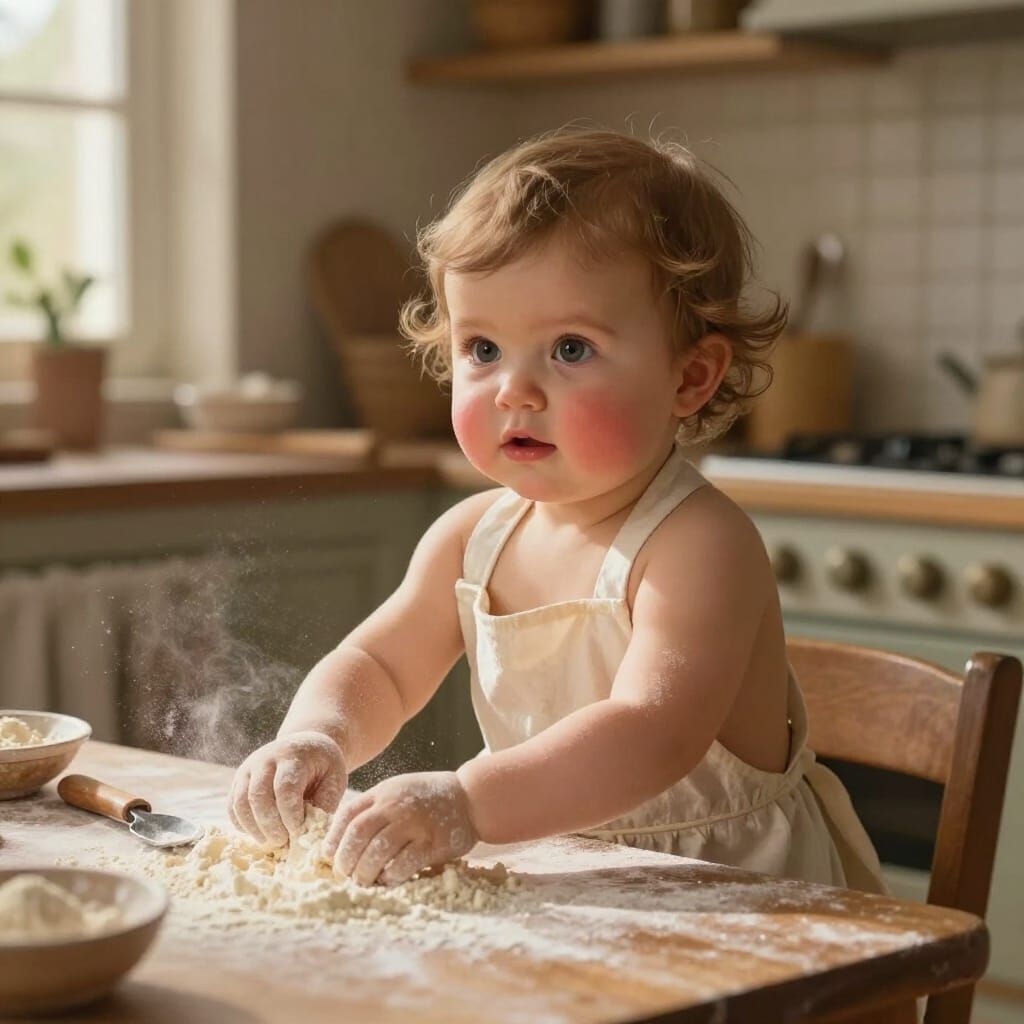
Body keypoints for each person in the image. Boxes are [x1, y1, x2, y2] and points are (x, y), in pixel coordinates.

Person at [228, 126, 884, 893]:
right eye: (482, 349)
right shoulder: (470, 538)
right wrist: (319, 736)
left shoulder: (700, 545)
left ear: (691, 377)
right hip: (563, 880)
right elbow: (379, 665)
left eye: (570, 349)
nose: (514, 390)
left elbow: (652, 733)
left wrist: (467, 800)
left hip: (734, 901)